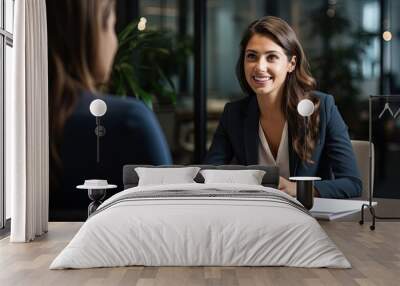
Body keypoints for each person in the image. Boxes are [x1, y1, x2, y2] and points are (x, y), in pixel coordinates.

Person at [205, 16, 361, 199]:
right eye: (252, 56)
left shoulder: (322, 107)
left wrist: (299, 189)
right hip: (255, 216)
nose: (260, 67)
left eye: (271, 57)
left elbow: (352, 183)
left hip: (308, 219)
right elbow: (208, 175)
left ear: (291, 64)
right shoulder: (234, 113)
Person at [47, 0, 172, 221]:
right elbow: (170, 225)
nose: (115, 42)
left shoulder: (11, 122)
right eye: (112, 27)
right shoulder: (129, 123)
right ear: (91, 33)